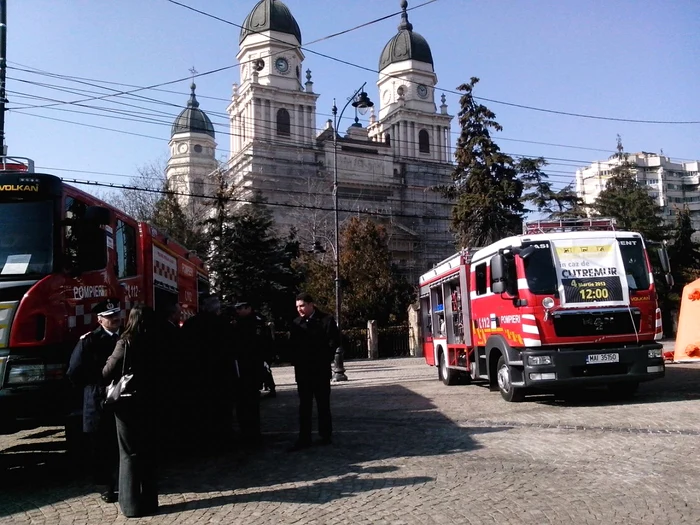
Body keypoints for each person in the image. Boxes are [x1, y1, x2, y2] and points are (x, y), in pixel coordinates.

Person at [102, 304, 159, 518]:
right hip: (152, 401)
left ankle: (131, 504)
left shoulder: (126, 342)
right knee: (149, 451)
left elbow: (108, 371)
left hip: (129, 402)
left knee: (129, 453)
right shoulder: (159, 340)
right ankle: (151, 501)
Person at [66, 298, 122, 503]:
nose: (115, 319)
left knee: (121, 442)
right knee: (101, 445)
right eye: (109, 317)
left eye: (116, 314)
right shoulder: (90, 341)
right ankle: (105, 486)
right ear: (100, 320)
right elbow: (74, 371)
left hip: (123, 398)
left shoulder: (125, 337)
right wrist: (95, 385)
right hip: (99, 398)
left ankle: (125, 483)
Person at [181, 294, 236, 450]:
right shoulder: (223, 325)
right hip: (221, 376)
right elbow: (231, 350)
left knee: (202, 410)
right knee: (222, 410)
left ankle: (203, 441)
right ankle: (222, 440)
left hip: (198, 377)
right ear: (217, 309)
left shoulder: (190, 325)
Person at [288, 292, 340, 451]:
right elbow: (291, 346)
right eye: (297, 306)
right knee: (304, 406)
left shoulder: (326, 320)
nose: (300, 309)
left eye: (302, 306)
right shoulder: (296, 323)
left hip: (320, 370)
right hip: (303, 371)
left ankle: (325, 434)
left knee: (323, 404)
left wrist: (324, 357)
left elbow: (335, 341)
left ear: (311, 304)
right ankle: (304, 437)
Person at [231, 298, 268, 446]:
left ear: (248, 308)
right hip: (245, 369)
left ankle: (252, 434)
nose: (238, 311)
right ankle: (248, 433)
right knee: (245, 404)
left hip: (251, 369)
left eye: (240, 308)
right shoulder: (244, 322)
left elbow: (257, 346)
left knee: (250, 403)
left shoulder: (253, 323)